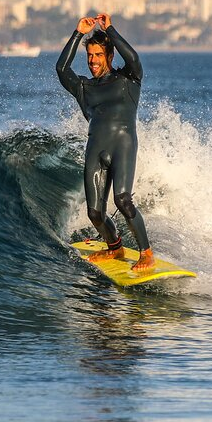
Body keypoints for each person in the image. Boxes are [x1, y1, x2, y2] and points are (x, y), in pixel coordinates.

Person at [56, 13, 155, 271]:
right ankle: (115, 248)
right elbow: (61, 69)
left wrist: (110, 29)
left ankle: (146, 252)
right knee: (95, 214)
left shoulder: (129, 80)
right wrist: (78, 33)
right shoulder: (84, 88)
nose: (92, 61)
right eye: (89, 56)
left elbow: (133, 58)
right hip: (96, 148)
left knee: (123, 200)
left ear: (109, 56)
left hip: (123, 145)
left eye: (98, 55)